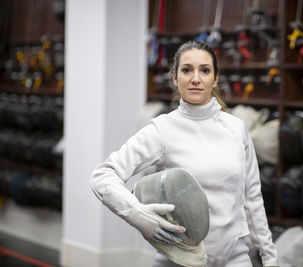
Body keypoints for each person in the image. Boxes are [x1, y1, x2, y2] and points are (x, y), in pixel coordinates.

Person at [90, 40, 279, 267]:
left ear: (216, 78)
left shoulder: (236, 129)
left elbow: (253, 199)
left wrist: (270, 259)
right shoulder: (162, 129)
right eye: (187, 70)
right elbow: (102, 176)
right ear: (175, 78)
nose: (196, 78)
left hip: (234, 258)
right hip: (179, 259)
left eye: (205, 70)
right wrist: (136, 214)